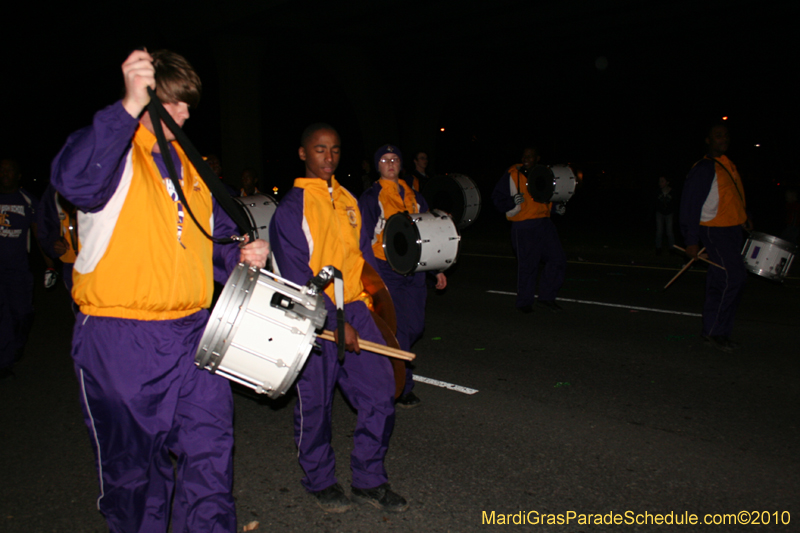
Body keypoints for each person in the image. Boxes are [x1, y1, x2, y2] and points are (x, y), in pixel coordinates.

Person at [50, 49, 268, 532]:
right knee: (137, 479)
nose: (186, 114)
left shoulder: (194, 170)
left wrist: (240, 254)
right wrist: (125, 108)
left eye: (190, 105)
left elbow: (207, 245)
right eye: (175, 103)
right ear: (145, 100)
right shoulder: (112, 155)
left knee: (210, 456)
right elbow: (74, 181)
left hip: (193, 334)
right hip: (120, 339)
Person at [269, 124, 408, 514]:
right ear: (303, 154)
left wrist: (376, 307)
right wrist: (332, 321)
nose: (328, 158)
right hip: (312, 319)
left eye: (334, 150)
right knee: (316, 405)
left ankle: (369, 479)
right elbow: (296, 278)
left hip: (357, 312)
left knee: (380, 394)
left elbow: (362, 261)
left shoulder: (349, 199)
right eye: (319, 150)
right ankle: (319, 479)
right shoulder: (291, 209)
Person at [358, 144, 446, 408]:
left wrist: (437, 268)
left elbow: (429, 235)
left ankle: (387, 370)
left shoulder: (415, 196)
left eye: (394, 158)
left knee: (415, 326)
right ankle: (402, 387)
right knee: (399, 331)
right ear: (378, 166)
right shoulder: (371, 198)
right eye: (385, 159)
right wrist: (373, 277)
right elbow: (362, 240)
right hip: (387, 270)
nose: (390, 163)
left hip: (415, 270)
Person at [680, 123, 750, 352]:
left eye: (726, 136)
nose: (724, 139)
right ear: (708, 140)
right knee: (734, 277)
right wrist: (691, 240)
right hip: (714, 229)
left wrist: (743, 217)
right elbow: (690, 205)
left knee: (721, 280)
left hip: (731, 229)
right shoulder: (703, 168)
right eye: (718, 136)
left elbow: (730, 197)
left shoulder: (727, 165)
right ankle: (715, 331)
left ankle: (717, 332)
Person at [491, 146, 566, 313]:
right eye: (524, 155)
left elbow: (546, 197)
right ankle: (525, 301)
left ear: (537, 158)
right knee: (528, 265)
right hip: (523, 225)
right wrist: (511, 201)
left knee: (557, 260)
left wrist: (556, 209)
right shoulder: (512, 175)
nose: (526, 158)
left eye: (530, 156)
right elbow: (497, 199)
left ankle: (547, 297)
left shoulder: (544, 174)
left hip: (544, 223)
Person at [0, 159, 38, 379]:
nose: (5, 173)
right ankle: (4, 361)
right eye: (1, 169)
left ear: (18, 174)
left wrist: (50, 263)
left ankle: (15, 344)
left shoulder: (28, 201)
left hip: (18, 269)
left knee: (22, 314)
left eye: (9, 169)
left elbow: (39, 234)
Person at [37, 183, 80, 297]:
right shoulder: (57, 184)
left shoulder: (113, 174)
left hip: (109, 261)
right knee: (81, 309)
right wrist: (53, 243)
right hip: (73, 263)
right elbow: (46, 222)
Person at [655, 176, 677, 255]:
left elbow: (675, 204)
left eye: (662, 181)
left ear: (667, 182)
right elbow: (655, 203)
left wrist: (671, 211)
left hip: (669, 214)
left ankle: (672, 249)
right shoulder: (658, 191)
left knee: (669, 232)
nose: (660, 183)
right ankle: (658, 248)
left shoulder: (672, 192)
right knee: (659, 231)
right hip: (660, 213)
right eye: (659, 181)